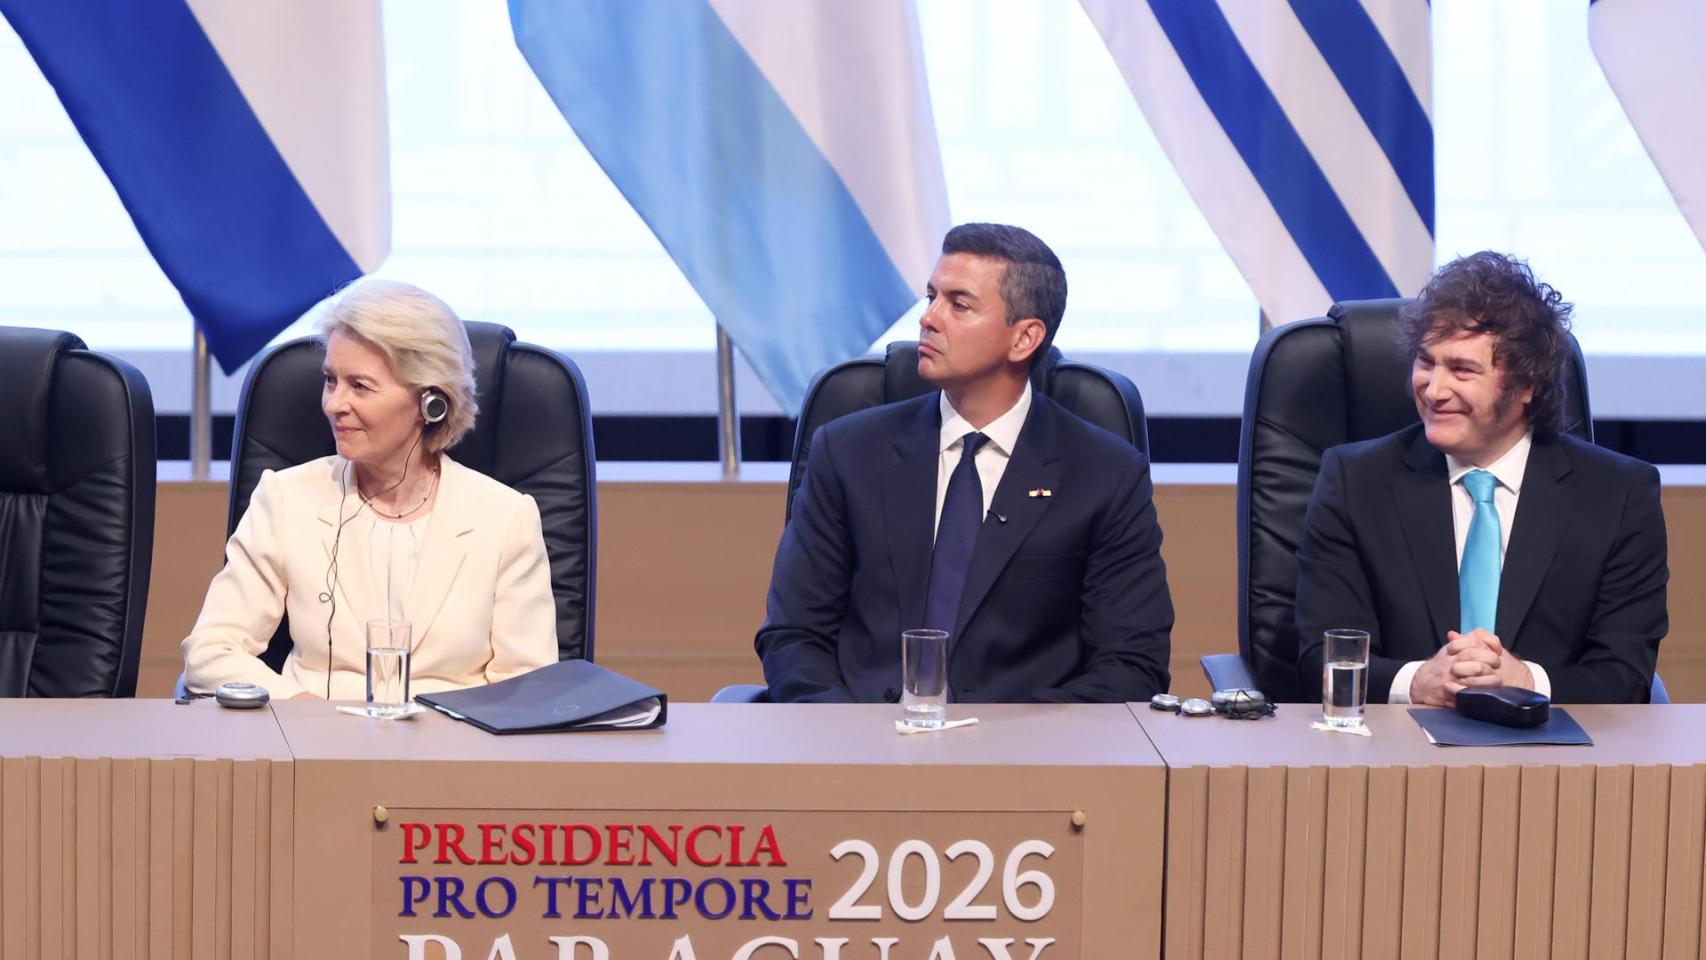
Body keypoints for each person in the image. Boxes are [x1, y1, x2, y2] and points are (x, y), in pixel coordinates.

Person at [756, 223, 1174, 703]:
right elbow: (794, 636)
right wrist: (850, 731)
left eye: (959, 304)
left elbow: (1132, 665)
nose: (928, 318)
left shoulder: (1104, 474)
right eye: (931, 297)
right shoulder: (848, 452)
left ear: (1024, 338)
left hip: (1027, 742)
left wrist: (1002, 736)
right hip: (862, 734)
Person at [1294, 252, 1667, 705]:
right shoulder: (1355, 482)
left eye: (1462, 370)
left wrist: (1527, 680)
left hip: (1553, 745)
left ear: (1527, 385)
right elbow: (1322, 657)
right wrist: (1418, 681)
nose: (1433, 390)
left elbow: (1625, 676)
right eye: (1425, 362)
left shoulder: (1619, 495)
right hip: (1396, 742)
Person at [182, 280, 557, 700]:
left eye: (360, 386)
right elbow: (210, 653)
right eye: (330, 380)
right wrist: (301, 708)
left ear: (431, 402)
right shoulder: (286, 498)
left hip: (452, 738)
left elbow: (529, 690)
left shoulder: (505, 518)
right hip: (315, 735)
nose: (333, 404)